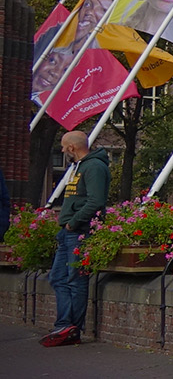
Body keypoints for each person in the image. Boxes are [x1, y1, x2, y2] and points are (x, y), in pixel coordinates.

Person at [43, 130, 109, 347]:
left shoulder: (94, 167)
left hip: (79, 231)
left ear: (72, 147)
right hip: (68, 231)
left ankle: (72, 327)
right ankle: (65, 325)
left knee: (76, 279)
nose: (63, 150)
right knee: (57, 277)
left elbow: (96, 201)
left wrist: (74, 221)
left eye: (64, 147)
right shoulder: (79, 167)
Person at [31, 0, 112, 104]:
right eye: (88, 4)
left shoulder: (95, 51)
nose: (55, 73)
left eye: (102, 10)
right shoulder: (56, 33)